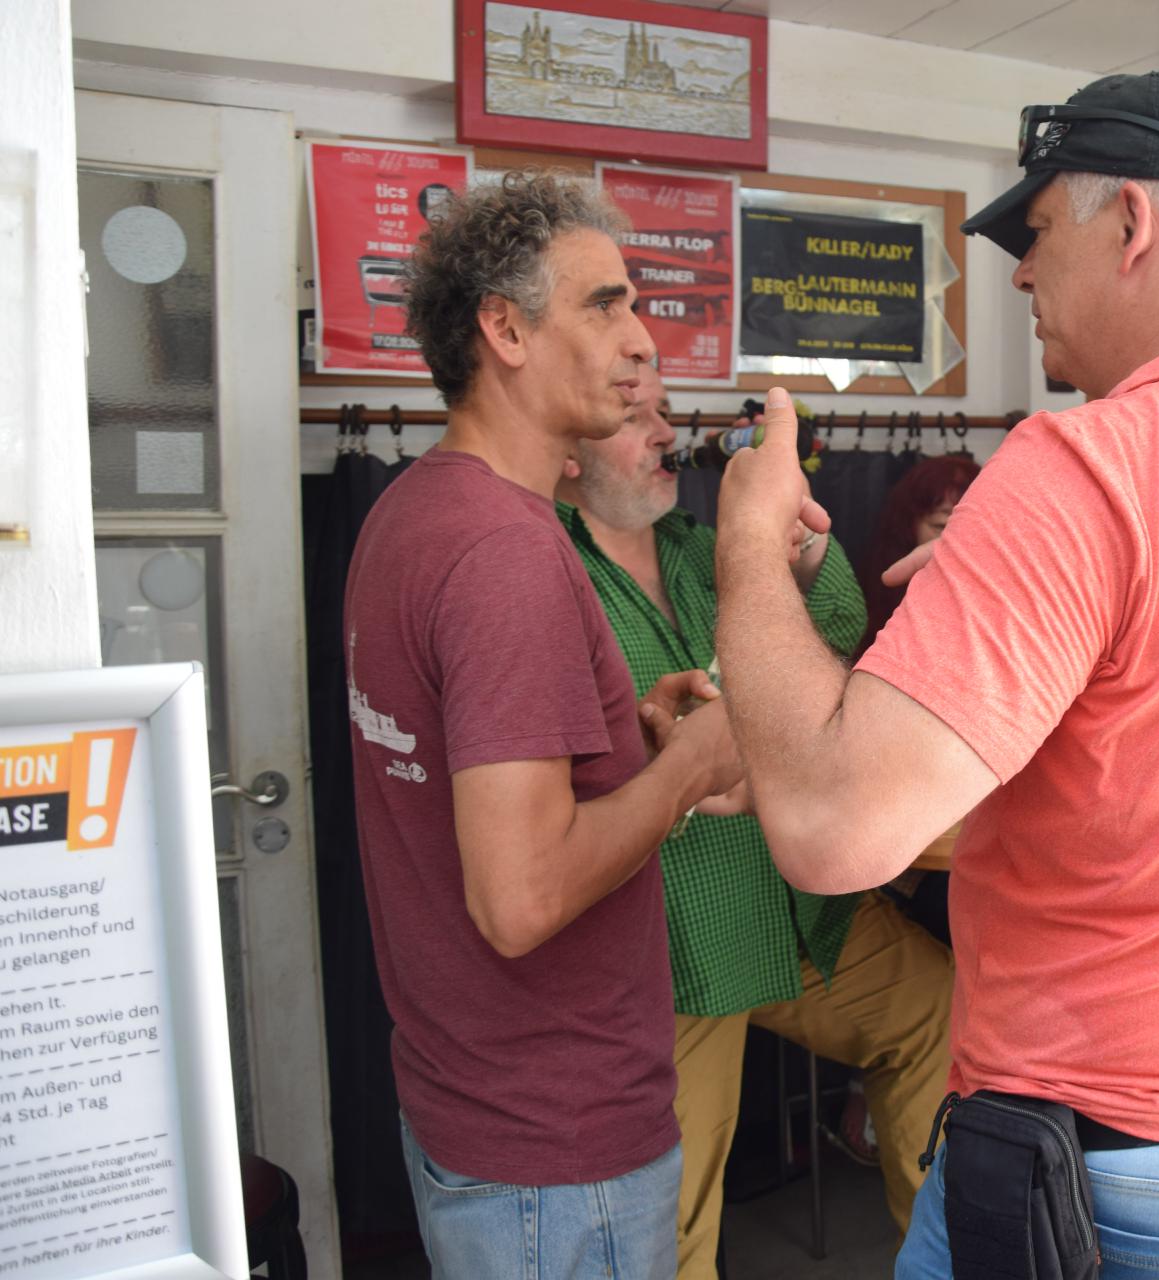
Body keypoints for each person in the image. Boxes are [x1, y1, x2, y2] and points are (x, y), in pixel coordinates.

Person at [698, 71, 1159, 1278]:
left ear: (1132, 222)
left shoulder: (1083, 464)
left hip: (1120, 1165)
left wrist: (744, 539)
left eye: (1039, 231)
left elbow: (835, 833)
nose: (1020, 275)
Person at [343, 172, 742, 1280]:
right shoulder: (505, 554)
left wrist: (626, 753)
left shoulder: (416, 511)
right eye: (604, 305)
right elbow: (519, 901)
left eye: (635, 304)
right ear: (505, 331)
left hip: (474, 1105)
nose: (641, 337)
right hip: (557, 1151)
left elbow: (473, 781)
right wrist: (691, 768)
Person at [553, 363, 955, 1279]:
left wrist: (798, 556)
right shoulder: (549, 568)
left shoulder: (701, 545)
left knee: (937, 1010)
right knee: (672, 1208)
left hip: (794, 908)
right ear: (570, 450)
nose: (667, 435)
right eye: (637, 419)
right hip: (679, 948)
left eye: (667, 415)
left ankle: (938, 1260)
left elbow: (839, 627)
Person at [855, 453, 981, 658]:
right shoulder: (880, 584)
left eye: (965, 528)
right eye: (940, 526)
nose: (951, 541)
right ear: (909, 526)